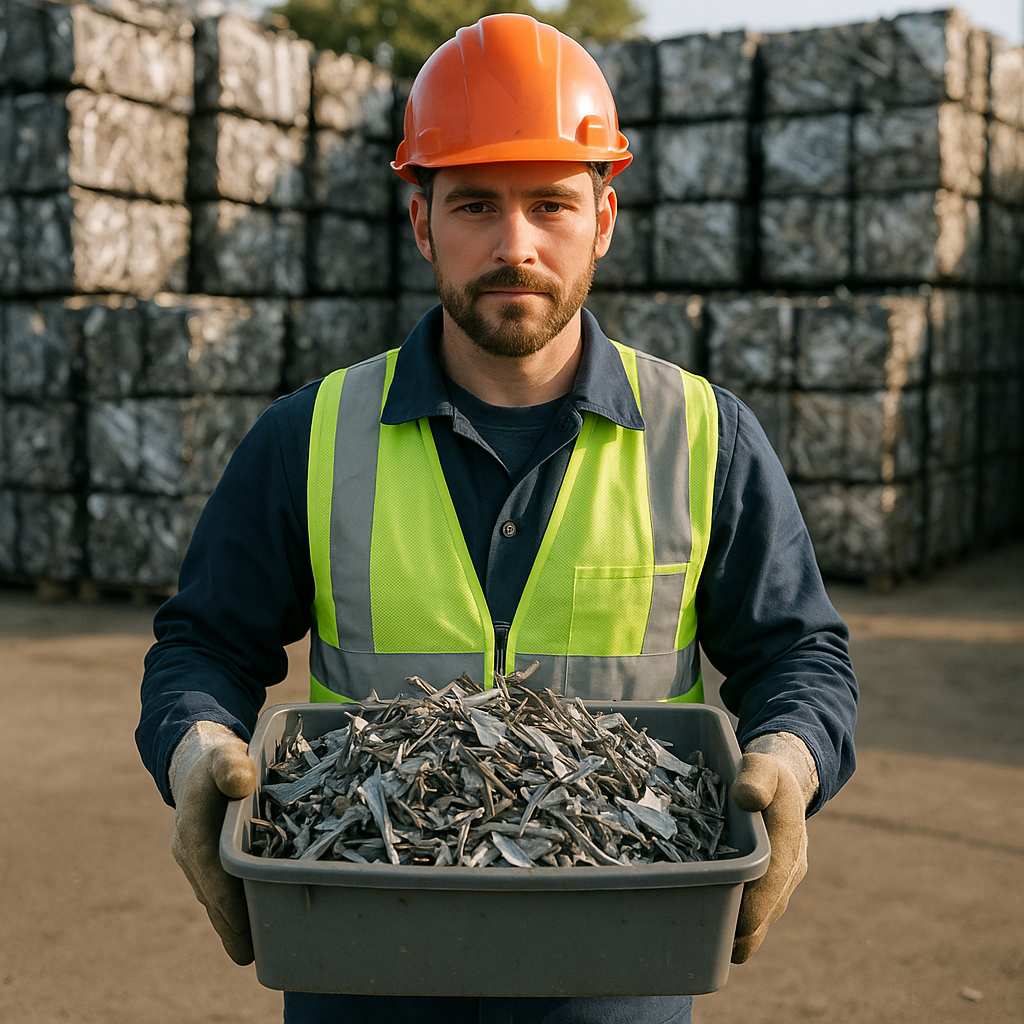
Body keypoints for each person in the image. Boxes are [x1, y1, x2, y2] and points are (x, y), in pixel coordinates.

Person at [137, 13, 857, 1024]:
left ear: (602, 220)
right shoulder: (311, 436)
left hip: (619, 953)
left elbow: (800, 654)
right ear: (423, 221)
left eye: (551, 205)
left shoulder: (704, 436)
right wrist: (194, 748)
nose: (513, 245)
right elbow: (204, 640)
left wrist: (788, 756)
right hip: (365, 947)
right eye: (474, 204)